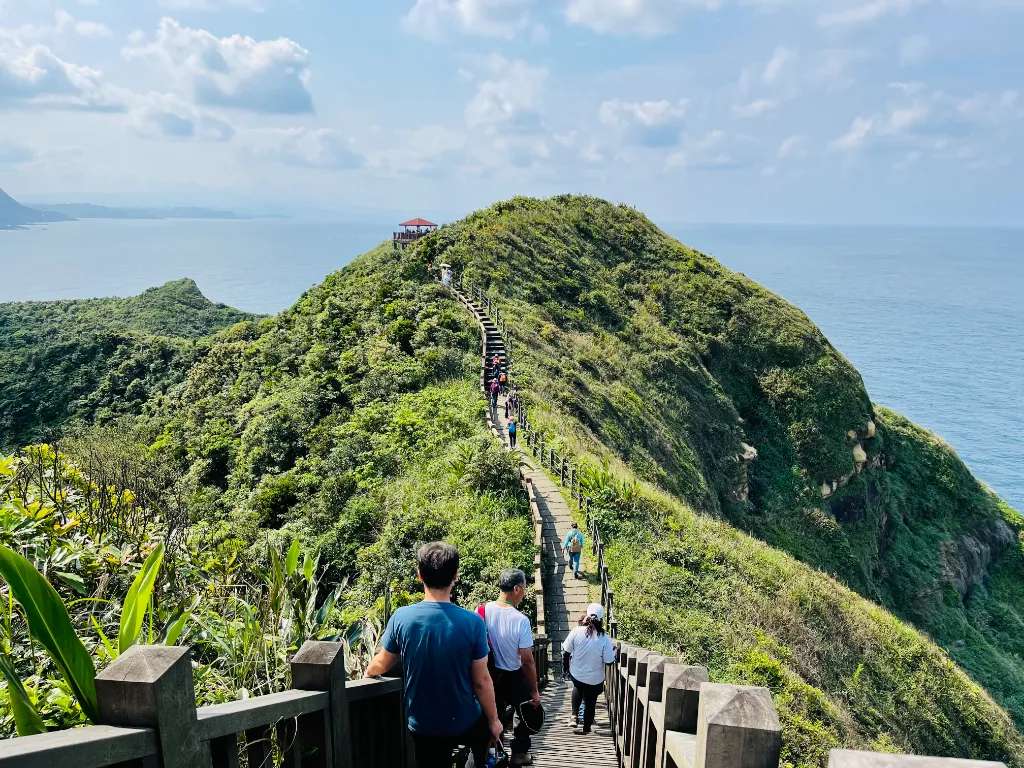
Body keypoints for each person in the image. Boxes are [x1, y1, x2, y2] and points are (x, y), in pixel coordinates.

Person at [365, 542, 503, 768]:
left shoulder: (402, 618)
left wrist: (368, 673)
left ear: (419, 575)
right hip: (463, 720)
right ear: (455, 575)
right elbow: (481, 681)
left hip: (423, 725)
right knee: (484, 730)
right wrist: (495, 720)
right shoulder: (473, 623)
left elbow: (381, 663)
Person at [478, 569, 541, 766]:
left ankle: (493, 755)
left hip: (489, 675)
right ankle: (519, 754)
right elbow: (527, 660)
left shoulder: (481, 611)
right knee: (525, 711)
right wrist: (534, 691)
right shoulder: (520, 620)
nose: (524, 593)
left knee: (492, 714)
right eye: (523, 589)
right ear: (516, 589)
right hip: (514, 675)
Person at [562, 604, 615, 735]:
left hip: (577, 674)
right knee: (591, 699)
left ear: (587, 615)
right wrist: (614, 653)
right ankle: (587, 728)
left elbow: (566, 652)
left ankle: (574, 715)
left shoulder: (576, 631)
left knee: (578, 687)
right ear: (601, 619)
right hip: (596, 679)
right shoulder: (604, 638)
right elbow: (609, 661)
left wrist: (566, 670)